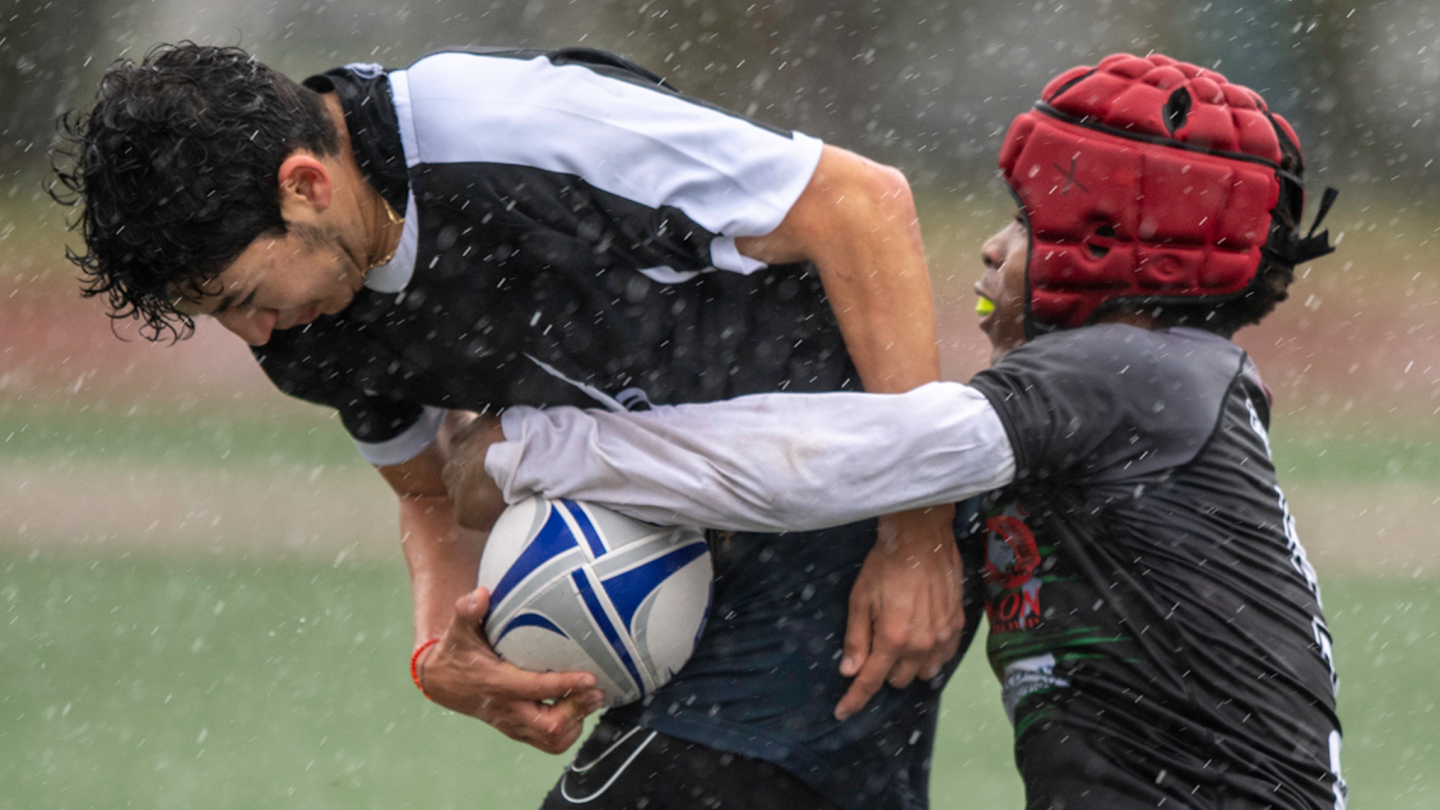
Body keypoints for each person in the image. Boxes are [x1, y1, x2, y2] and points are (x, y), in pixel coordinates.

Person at [53, 43, 975, 810]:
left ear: (306, 185)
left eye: (244, 298)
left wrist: (919, 532)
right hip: (688, 549)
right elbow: (429, 500)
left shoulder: (507, 127)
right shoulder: (307, 330)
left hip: (845, 519)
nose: (252, 335)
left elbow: (861, 205)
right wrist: (441, 659)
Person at [446, 54, 1348, 809]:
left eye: (1031, 225)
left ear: (1122, 252)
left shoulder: (1131, 378)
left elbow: (825, 461)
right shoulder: (1151, 391)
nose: (993, 249)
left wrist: (535, 449)